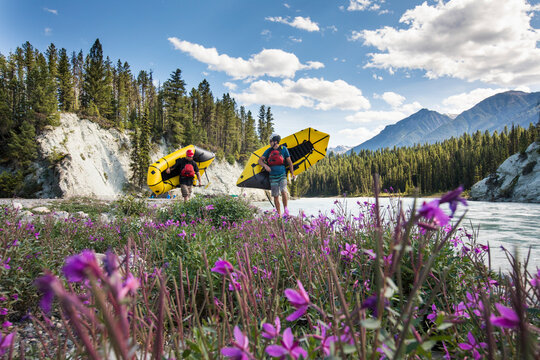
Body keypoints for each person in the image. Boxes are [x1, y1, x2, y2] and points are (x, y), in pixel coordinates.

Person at [258, 133, 296, 216]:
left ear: (275, 141)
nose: (270, 143)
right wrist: (265, 166)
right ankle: (279, 214)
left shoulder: (284, 149)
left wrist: (292, 173)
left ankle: (286, 212)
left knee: (283, 191)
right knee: (275, 196)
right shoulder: (268, 150)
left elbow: (290, 162)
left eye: (271, 141)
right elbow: (260, 161)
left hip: (282, 174)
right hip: (272, 176)